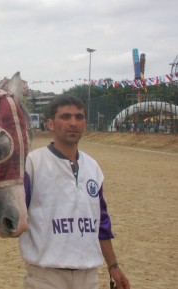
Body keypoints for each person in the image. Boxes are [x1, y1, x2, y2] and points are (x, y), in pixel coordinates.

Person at [19, 95, 130, 289]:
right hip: (46, 277)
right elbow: (14, 214)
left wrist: (113, 266)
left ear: (85, 123)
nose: (73, 123)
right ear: (51, 124)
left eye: (79, 117)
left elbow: (101, 224)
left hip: (88, 278)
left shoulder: (93, 167)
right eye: (66, 117)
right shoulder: (33, 164)